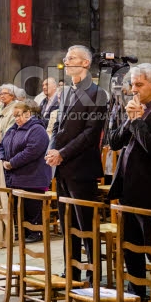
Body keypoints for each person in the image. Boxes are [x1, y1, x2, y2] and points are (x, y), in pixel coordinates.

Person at [108, 63, 151, 302]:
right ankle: (136, 293)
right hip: (128, 189)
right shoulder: (135, 110)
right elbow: (114, 142)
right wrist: (129, 121)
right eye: (132, 85)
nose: (133, 90)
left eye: (139, 85)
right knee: (130, 247)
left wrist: (137, 120)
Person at [46, 45, 107, 280]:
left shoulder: (97, 93)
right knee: (66, 221)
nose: (66, 61)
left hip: (82, 167)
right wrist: (52, 149)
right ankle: (70, 269)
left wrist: (63, 153)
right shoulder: (67, 91)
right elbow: (58, 126)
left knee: (85, 224)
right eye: (65, 58)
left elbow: (91, 133)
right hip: (62, 167)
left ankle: (93, 273)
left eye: (71, 58)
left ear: (85, 64)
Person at [0, 101, 52, 243]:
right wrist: (3, 159)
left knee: (32, 207)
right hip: (16, 176)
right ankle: (23, 232)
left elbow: (31, 151)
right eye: (14, 116)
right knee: (20, 207)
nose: (16, 118)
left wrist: (12, 163)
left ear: (28, 113)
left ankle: (36, 233)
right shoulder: (13, 129)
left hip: (33, 176)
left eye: (19, 115)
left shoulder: (37, 130)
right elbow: (2, 145)